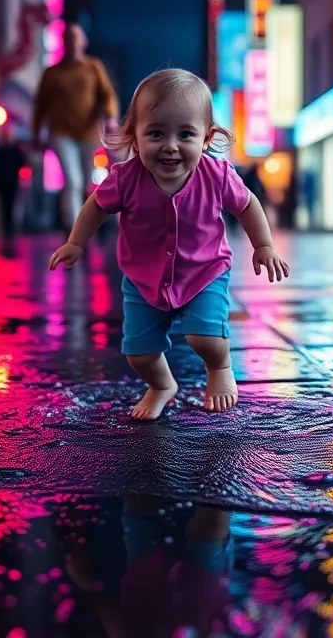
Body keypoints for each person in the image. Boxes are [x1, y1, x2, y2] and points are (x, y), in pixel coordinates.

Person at [48, 69, 289, 420]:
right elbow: (96, 205)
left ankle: (220, 367)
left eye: (185, 134)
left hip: (204, 272)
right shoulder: (125, 178)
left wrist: (263, 245)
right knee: (139, 353)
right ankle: (162, 384)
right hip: (143, 279)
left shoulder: (216, 175)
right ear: (134, 138)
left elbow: (247, 204)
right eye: (156, 133)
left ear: (206, 138)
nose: (170, 146)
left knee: (205, 338)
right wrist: (76, 242)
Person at [32, 23, 120, 231]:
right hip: (61, 132)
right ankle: (74, 230)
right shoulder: (51, 73)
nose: (72, 41)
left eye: (76, 37)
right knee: (73, 180)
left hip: (88, 133)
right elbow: (40, 105)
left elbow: (108, 94)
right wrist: (36, 132)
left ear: (83, 42)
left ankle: (84, 223)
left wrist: (110, 117)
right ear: (63, 42)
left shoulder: (93, 67)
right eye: (68, 37)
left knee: (85, 183)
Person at [0, 127, 27, 243]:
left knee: (10, 206)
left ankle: (10, 228)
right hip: (4, 184)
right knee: (5, 206)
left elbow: (23, 163)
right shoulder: (3, 151)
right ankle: (7, 228)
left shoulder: (14, 151)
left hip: (11, 183)